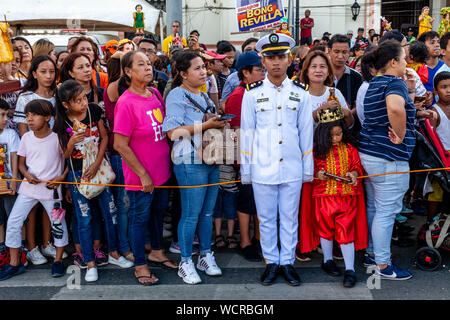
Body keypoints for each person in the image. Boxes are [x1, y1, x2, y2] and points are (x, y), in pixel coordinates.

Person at [240, 33, 313, 286]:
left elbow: (306, 132)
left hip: (292, 166)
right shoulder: (252, 94)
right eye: (271, 57)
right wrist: (247, 171)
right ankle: (271, 262)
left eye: (281, 56)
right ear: (263, 60)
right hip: (262, 168)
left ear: (290, 58)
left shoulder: (300, 93)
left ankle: (288, 262)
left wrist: (307, 169)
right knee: (267, 219)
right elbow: (247, 134)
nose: (276, 62)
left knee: (290, 218)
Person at [54, 80, 133, 282]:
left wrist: (98, 162)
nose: (83, 103)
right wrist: (71, 142)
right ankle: (89, 262)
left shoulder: (93, 111)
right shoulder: (62, 122)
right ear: (65, 104)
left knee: (111, 213)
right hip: (77, 175)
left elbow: (105, 138)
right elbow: (64, 154)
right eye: (77, 100)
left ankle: (114, 253)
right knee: (84, 218)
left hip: (99, 171)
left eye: (83, 98)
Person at [162, 51, 227, 285]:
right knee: (191, 214)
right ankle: (186, 261)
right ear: (182, 73)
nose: (204, 72)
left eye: (204, 67)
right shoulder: (177, 95)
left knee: (208, 212)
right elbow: (172, 132)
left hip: (210, 157)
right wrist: (206, 124)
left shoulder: (203, 95)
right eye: (197, 68)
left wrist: (216, 120)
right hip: (188, 159)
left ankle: (206, 255)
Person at [114, 51, 174, 285]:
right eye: (141, 64)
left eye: (149, 64)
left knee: (158, 214)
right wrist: (143, 174)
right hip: (142, 177)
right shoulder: (126, 103)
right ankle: (140, 265)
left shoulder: (156, 93)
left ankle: (157, 251)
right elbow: (120, 145)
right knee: (139, 219)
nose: (148, 68)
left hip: (162, 172)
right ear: (128, 71)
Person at [358, 40, 416, 280]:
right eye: (403, 59)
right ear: (393, 62)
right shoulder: (394, 82)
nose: (406, 63)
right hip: (388, 157)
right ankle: (382, 265)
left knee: (375, 207)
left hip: (371, 153)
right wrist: (401, 135)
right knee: (387, 211)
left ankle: (373, 253)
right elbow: (394, 109)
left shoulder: (374, 83)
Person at [0, 100, 69, 281]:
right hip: (28, 188)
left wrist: (61, 178)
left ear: (48, 117)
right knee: (14, 221)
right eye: (28, 115)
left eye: (34, 115)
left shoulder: (57, 138)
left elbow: (68, 162)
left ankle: (58, 260)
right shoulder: (26, 138)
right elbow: (22, 164)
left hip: (50, 190)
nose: (29, 119)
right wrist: (26, 174)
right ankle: (14, 263)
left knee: (58, 226)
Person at [300, 107, 368, 288]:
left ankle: (350, 269)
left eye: (338, 134)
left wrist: (354, 173)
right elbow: (310, 171)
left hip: (347, 198)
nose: (335, 139)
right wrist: (318, 174)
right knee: (325, 229)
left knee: (346, 232)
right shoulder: (317, 151)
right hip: (324, 198)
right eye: (331, 136)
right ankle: (327, 260)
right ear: (323, 135)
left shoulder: (351, 149)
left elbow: (357, 167)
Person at [13, 56, 58, 264]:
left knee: (50, 203)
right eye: (43, 71)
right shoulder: (26, 97)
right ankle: (31, 247)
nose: (48, 76)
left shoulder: (57, 95)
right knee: (32, 206)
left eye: (51, 71)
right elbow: (24, 132)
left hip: (53, 154)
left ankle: (48, 243)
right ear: (34, 73)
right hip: (32, 156)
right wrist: (30, 161)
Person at [224, 51, 264, 260]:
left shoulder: (257, 91)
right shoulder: (238, 96)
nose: (263, 74)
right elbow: (236, 133)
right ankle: (245, 241)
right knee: (246, 202)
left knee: (259, 202)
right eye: (259, 70)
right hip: (245, 159)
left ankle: (258, 238)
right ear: (245, 73)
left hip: (262, 156)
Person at [426, 72, 450, 223]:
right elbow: (431, 139)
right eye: (444, 87)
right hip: (441, 158)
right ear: (435, 90)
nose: (448, 90)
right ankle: (430, 224)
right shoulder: (434, 112)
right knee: (436, 193)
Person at [0, 99, 20, 268]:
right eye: (1, 115)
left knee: (12, 215)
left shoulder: (10, 134)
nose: (5, 118)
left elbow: (14, 157)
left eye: (7, 114)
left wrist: (14, 180)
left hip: (8, 183)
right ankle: (2, 247)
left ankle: (20, 248)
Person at [328, 34, 363, 126]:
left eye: (344, 52)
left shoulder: (356, 77)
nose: (340, 56)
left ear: (349, 53)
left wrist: (347, 115)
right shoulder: (320, 75)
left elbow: (358, 105)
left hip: (348, 128)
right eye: (336, 52)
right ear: (329, 51)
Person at [220, 38, 258, 104]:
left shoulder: (270, 76)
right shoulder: (232, 78)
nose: (252, 52)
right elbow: (224, 103)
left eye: (256, 50)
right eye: (248, 50)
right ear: (243, 53)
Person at [418, 31, 444, 102]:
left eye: (438, 42)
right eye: (432, 43)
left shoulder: (446, 67)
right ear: (423, 46)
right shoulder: (417, 68)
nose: (437, 45)